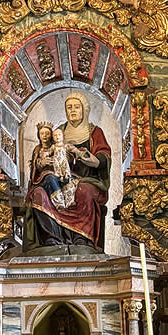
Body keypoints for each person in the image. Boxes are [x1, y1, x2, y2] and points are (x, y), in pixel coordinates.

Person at [23, 93, 111, 253]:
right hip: (58, 178)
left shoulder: (95, 133)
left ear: (85, 110)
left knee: (83, 190)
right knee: (38, 193)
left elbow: (102, 160)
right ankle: (52, 239)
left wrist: (79, 154)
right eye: (69, 107)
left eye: (77, 107)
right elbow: (42, 152)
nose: (73, 111)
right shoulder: (59, 131)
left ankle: (81, 239)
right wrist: (41, 163)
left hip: (87, 179)